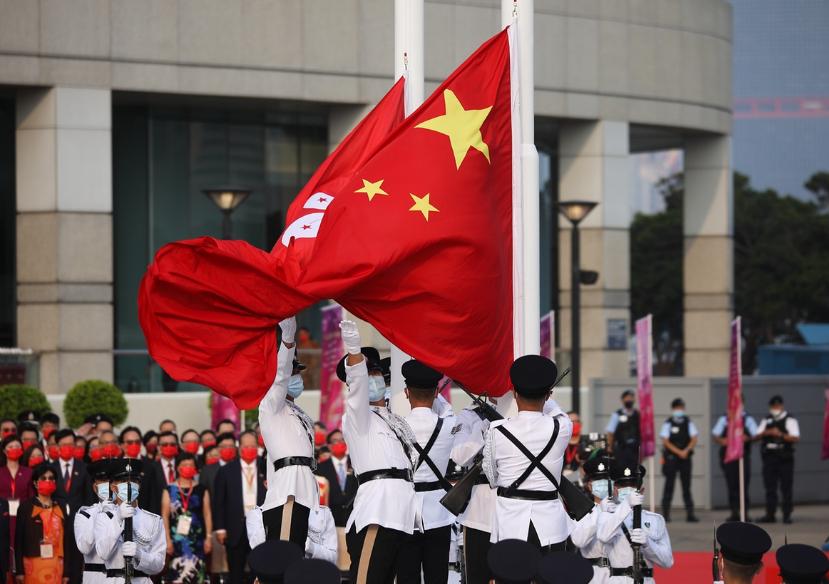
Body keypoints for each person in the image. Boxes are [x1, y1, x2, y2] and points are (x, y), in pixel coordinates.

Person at [339, 320, 418, 583]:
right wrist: (354, 353)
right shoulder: (358, 417)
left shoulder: (394, 419)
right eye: (367, 373)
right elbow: (359, 386)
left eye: (377, 373)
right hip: (377, 512)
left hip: (404, 513)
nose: (374, 378)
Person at [483, 355, 572, 553]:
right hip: (550, 525)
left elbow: (492, 477)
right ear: (549, 394)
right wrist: (545, 396)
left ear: (514, 393)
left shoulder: (497, 430)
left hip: (509, 522)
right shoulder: (562, 426)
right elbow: (556, 411)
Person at [395, 359, 459, 584]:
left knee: (406, 576)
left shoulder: (395, 426)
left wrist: (432, 394)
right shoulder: (450, 424)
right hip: (438, 512)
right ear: (436, 392)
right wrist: (437, 396)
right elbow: (447, 410)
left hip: (404, 511)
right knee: (437, 576)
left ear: (406, 392)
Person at [259, 317, 318, 547]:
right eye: (292, 372)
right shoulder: (270, 406)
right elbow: (280, 378)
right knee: (283, 562)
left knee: (300, 565)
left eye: (298, 372)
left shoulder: (301, 414)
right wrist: (287, 342)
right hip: (287, 494)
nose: (296, 377)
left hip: (306, 492)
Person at [597, 461, 673, 583]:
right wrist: (626, 504)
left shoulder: (655, 520)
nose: (627, 489)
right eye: (622, 485)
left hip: (646, 580)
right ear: (615, 489)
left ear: (641, 490)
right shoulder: (607, 515)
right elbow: (603, 536)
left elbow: (667, 561)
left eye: (632, 485)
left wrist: (648, 544)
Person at [95, 458, 166, 583]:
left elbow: (158, 565)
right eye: (123, 481)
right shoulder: (104, 517)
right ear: (113, 487)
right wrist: (118, 519)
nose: (129, 485)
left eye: (134, 481)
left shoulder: (153, 520)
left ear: (139, 486)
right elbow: (103, 553)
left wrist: (140, 555)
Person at [212, 431, 266, 584]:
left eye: (253, 446)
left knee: (260, 573)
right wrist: (220, 529)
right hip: (235, 530)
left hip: (260, 530)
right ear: (239, 447)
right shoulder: (226, 471)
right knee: (235, 574)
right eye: (246, 446)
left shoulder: (266, 469)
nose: (249, 449)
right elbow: (219, 502)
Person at [14, 463, 72, 583]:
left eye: (51, 478)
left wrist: (67, 572)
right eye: (43, 478)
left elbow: (67, 541)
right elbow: (18, 541)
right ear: (35, 483)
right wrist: (19, 571)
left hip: (57, 565)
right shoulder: (26, 507)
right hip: (33, 565)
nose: (48, 481)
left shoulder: (60, 506)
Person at [162, 452, 213, 583]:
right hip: (176, 540)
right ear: (177, 467)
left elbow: (207, 514)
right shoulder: (169, 490)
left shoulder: (202, 489)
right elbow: (165, 516)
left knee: (197, 575)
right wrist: (167, 540)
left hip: (197, 540)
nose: (188, 467)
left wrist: (208, 538)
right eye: (184, 465)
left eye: (191, 465)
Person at [570, 453, 614, 583]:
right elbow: (579, 540)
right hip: (592, 573)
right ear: (590, 486)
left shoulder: (621, 512)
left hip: (618, 573)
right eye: (598, 481)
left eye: (606, 480)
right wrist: (600, 511)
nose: (603, 485)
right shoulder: (581, 513)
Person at [756, 395, 800, 524]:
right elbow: (757, 435)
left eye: (777, 406)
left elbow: (795, 438)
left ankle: (787, 514)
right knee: (770, 486)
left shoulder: (790, 419)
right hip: (769, 456)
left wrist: (780, 434)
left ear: (781, 406)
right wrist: (768, 432)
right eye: (773, 406)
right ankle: (770, 514)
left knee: (786, 486)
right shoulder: (767, 419)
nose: (775, 408)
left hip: (784, 457)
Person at [247, 503, 338, 564]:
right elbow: (259, 553)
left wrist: (311, 547)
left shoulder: (323, 513)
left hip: (311, 575)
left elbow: (333, 557)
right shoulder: (258, 514)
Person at [712, 410, 759, 521]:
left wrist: (747, 438)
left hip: (743, 457)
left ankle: (745, 513)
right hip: (729, 457)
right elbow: (715, 435)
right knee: (731, 485)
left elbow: (756, 435)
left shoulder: (747, 419)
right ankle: (734, 512)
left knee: (743, 485)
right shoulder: (724, 419)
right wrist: (722, 440)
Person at [74, 459, 115, 583]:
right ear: (95, 487)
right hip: (95, 578)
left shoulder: (127, 513)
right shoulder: (85, 514)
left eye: (111, 480)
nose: (107, 484)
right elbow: (85, 547)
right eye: (103, 480)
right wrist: (100, 514)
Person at [659, 398, 699, 522]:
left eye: (681, 408)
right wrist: (679, 452)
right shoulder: (668, 422)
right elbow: (665, 441)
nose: (679, 410)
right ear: (673, 409)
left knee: (686, 485)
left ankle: (690, 513)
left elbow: (694, 438)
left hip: (685, 457)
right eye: (677, 408)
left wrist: (686, 450)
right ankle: (665, 513)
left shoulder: (688, 422)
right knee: (669, 485)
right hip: (672, 458)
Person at [2, 435, 34, 575]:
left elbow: (32, 497)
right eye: (10, 447)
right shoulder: (0, 471)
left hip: (23, 517)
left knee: (21, 546)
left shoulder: (28, 472)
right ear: (4, 450)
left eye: (17, 447)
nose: (14, 449)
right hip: (3, 517)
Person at [314, 431, 357, 527]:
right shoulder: (320, 469)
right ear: (329, 446)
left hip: (353, 521)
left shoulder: (356, 465)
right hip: (329, 522)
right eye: (335, 441)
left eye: (343, 440)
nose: (340, 443)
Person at [120, 426, 165, 515]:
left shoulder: (151, 465)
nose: (134, 445)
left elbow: (154, 497)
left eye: (137, 442)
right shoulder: (116, 465)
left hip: (144, 518)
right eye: (130, 442)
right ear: (122, 445)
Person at [605, 390, 641, 471]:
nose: (629, 400)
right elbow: (610, 432)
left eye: (631, 398)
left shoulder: (637, 414)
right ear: (622, 400)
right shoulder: (617, 414)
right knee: (621, 469)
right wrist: (610, 447)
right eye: (627, 398)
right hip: (621, 447)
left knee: (634, 469)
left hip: (634, 448)